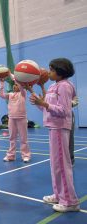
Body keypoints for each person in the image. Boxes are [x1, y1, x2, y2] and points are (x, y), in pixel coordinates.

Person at [29, 58, 80, 212]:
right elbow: (49, 109)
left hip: (60, 128)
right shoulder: (53, 86)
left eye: (51, 70)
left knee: (63, 166)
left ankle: (70, 201)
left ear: (60, 71)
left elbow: (64, 111)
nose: (48, 72)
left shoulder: (65, 86)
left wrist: (44, 103)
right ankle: (59, 195)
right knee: (55, 165)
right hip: (52, 127)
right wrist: (40, 103)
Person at [0, 75, 31, 162]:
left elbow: (20, 85)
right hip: (11, 119)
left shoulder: (23, 93)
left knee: (23, 138)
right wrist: (2, 83)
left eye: (16, 85)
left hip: (21, 119)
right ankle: (10, 156)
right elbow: (1, 95)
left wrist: (11, 75)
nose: (14, 85)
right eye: (14, 85)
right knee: (12, 138)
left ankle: (26, 155)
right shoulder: (10, 95)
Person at [70, 96, 78, 166]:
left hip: (68, 115)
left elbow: (76, 102)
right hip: (57, 116)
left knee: (70, 138)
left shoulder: (70, 86)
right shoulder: (53, 87)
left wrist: (65, 103)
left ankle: (71, 159)